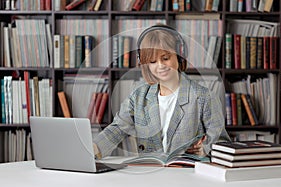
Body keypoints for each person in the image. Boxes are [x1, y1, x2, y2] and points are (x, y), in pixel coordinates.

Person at [93, 24, 230, 159]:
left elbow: (221, 141)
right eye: (152, 61)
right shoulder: (138, 97)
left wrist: (206, 149)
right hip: (151, 173)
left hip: (188, 174)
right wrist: (94, 148)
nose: (160, 66)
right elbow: (117, 129)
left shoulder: (204, 97)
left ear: (179, 56)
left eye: (165, 58)